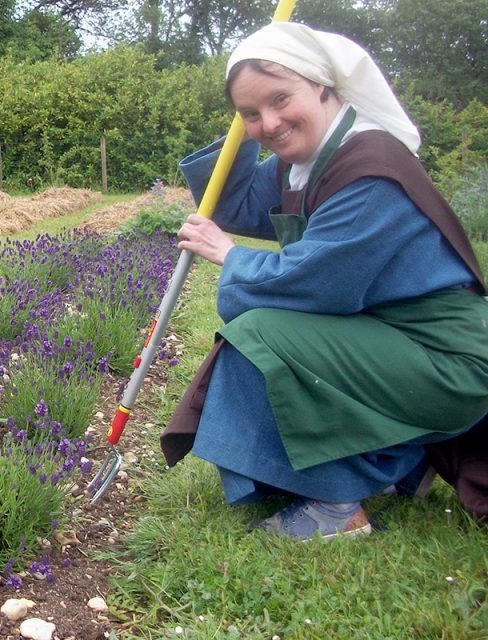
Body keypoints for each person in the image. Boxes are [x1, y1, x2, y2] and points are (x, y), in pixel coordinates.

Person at [159, 21, 488, 540]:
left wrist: (230, 256)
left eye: (280, 98)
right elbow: (239, 203)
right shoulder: (311, 161)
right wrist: (242, 134)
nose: (269, 122)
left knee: (263, 333)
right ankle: (400, 458)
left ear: (323, 85)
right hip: (399, 342)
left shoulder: (369, 167)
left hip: (449, 359)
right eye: (250, 112)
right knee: (275, 331)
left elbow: (316, 286)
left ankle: (338, 503)